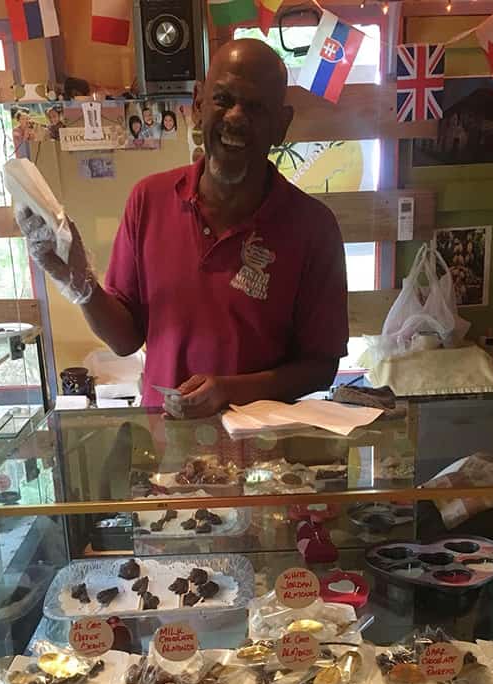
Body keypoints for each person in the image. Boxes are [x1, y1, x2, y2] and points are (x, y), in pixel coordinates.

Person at [17, 38, 348, 418]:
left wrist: (229, 390)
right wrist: (79, 281)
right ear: (197, 106)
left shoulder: (313, 228)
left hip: (268, 462)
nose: (236, 117)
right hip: (167, 452)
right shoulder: (148, 200)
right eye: (223, 99)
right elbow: (125, 340)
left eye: (255, 107)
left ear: (281, 125)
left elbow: (322, 368)